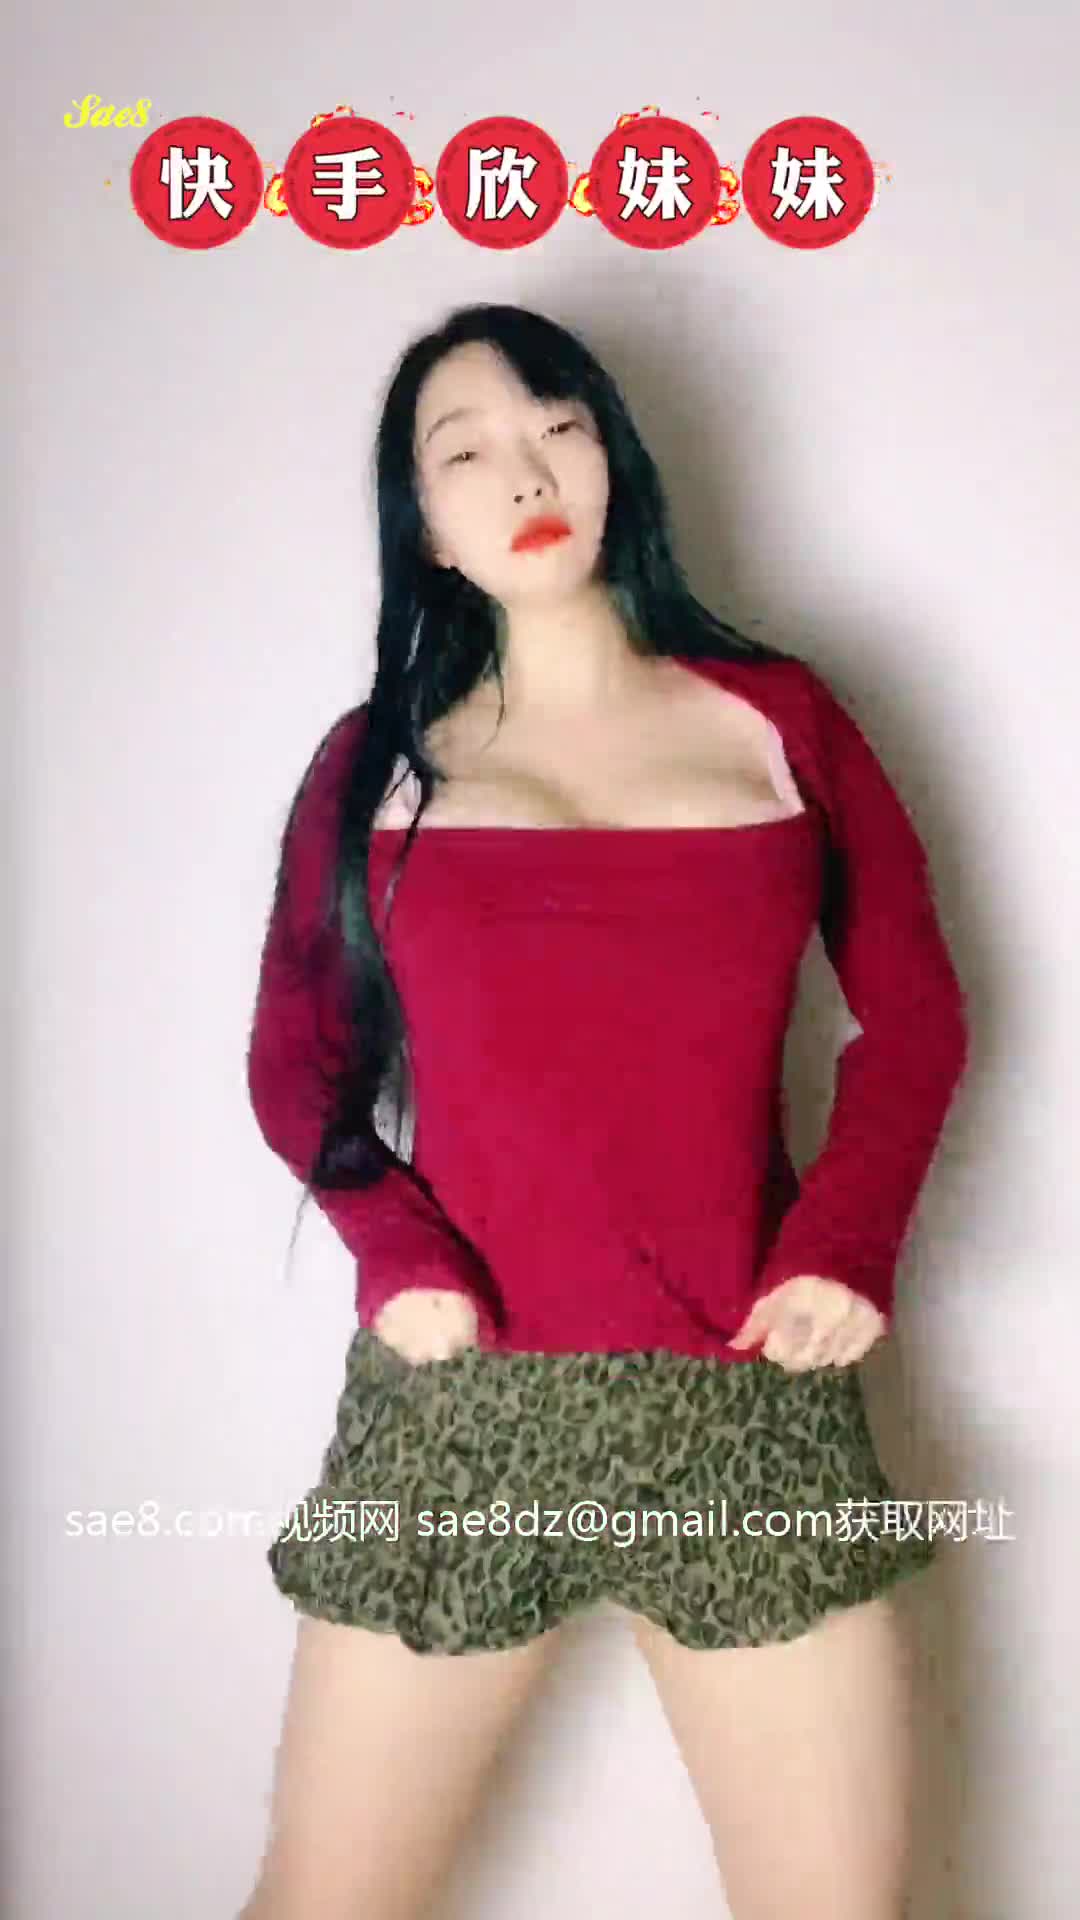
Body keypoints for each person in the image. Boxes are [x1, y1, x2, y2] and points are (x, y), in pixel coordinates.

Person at [239, 302, 969, 1920]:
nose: (525, 474)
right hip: (462, 1418)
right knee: (323, 1902)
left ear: (613, 456)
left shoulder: (782, 720)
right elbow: (299, 1060)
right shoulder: (378, 765)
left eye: (556, 427)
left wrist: (848, 1238)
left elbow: (916, 1017)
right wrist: (393, 1247)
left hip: (748, 1403)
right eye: (467, 453)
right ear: (425, 526)